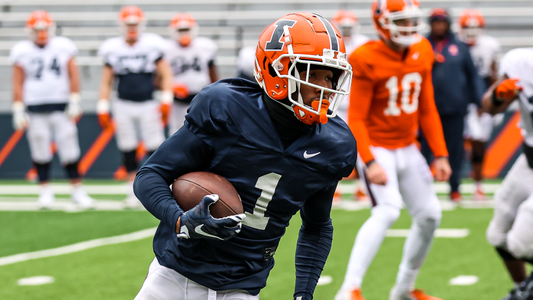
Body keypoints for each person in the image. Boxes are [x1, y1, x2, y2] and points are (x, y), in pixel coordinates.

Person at [133, 12, 356, 300]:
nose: (323, 88)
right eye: (312, 74)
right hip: (174, 275)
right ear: (275, 70)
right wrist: (180, 220)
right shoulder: (227, 108)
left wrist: (304, 293)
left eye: (329, 76)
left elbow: (317, 226)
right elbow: (150, 175)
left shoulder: (334, 145)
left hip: (243, 286)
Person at [335, 1, 452, 300]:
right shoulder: (365, 57)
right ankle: (349, 289)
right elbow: (357, 118)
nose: (408, 28)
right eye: (400, 21)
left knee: (430, 215)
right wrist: (370, 161)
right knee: (387, 211)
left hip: (407, 146)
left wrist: (440, 153)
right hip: (377, 145)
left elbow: (427, 108)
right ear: (382, 23)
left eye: (411, 21)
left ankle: (403, 289)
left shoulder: (422, 49)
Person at [10, 10, 93, 209]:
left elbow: (73, 73)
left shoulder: (63, 46)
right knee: (40, 150)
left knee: (70, 148)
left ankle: (77, 189)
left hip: (61, 107)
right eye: (37, 29)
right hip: (35, 108)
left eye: (43, 29)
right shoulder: (22, 50)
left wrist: (74, 98)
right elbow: (18, 81)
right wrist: (18, 108)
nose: (41, 33)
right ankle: (45, 190)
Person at [97, 6, 173, 208]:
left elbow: (165, 74)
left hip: (148, 102)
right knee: (127, 146)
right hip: (123, 103)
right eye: (129, 24)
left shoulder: (152, 45)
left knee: (155, 145)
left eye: (135, 24)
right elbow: (106, 81)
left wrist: (166, 99)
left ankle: (157, 186)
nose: (132, 28)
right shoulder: (112, 48)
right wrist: (102, 105)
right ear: (122, 25)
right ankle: (132, 188)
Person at [482, 48, 533, 300]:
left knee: (522, 242)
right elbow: (489, 108)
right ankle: (524, 290)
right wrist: (501, 95)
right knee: (498, 235)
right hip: (529, 159)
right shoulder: (520, 61)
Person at [421, 8, 484, 202]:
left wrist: (479, 99)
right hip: (426, 109)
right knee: (424, 151)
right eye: (435, 22)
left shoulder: (460, 46)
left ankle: (454, 188)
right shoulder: (422, 45)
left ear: (448, 24)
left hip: (454, 108)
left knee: (454, 151)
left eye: (442, 22)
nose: (439, 25)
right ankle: (422, 190)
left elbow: (473, 76)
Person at [458, 8, 501, 200]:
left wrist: (494, 103)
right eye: (468, 27)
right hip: (460, 99)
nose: (471, 32)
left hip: (482, 100)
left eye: (475, 28)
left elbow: (493, 75)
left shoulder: (490, 45)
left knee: (479, 144)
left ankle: (477, 185)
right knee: (458, 145)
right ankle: (456, 185)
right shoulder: (457, 45)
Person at [330, 9, 370, 202]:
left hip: (359, 105)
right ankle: (333, 188)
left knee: (361, 148)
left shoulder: (363, 45)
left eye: (348, 27)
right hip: (335, 104)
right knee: (334, 148)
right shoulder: (330, 45)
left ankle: (362, 186)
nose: (346, 31)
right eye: (342, 27)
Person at [165, 12, 219, 134]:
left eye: (187, 29)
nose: (184, 33)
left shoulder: (205, 46)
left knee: (204, 132)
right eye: (180, 30)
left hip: (201, 98)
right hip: (177, 102)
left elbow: (213, 74)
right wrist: (171, 87)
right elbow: (159, 77)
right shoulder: (166, 49)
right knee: (177, 134)